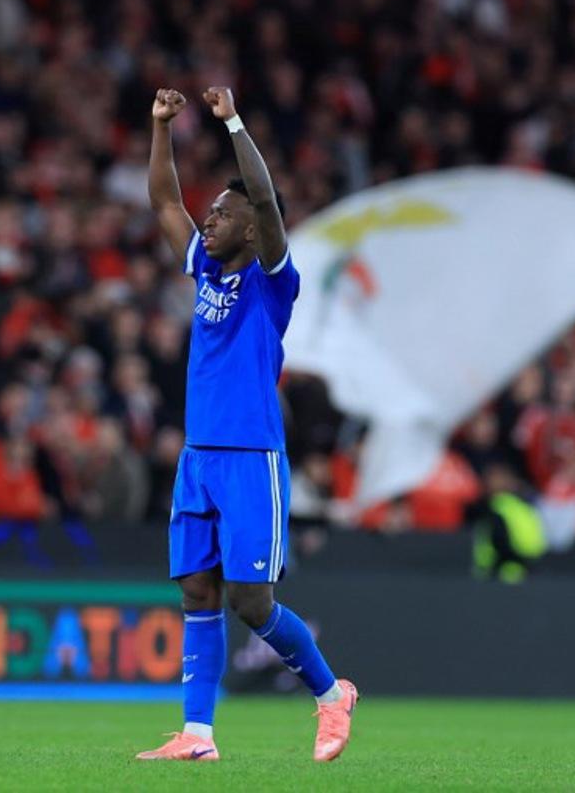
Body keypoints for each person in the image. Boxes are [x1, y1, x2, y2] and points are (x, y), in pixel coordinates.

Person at [136, 88, 357, 763]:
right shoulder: (202, 264)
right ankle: (197, 734)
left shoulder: (272, 282)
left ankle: (330, 695)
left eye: (225, 212)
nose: (211, 217)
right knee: (197, 590)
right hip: (199, 457)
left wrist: (232, 120)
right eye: (215, 209)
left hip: (251, 456)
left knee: (253, 601)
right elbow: (166, 202)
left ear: (256, 230)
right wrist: (160, 128)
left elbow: (263, 199)